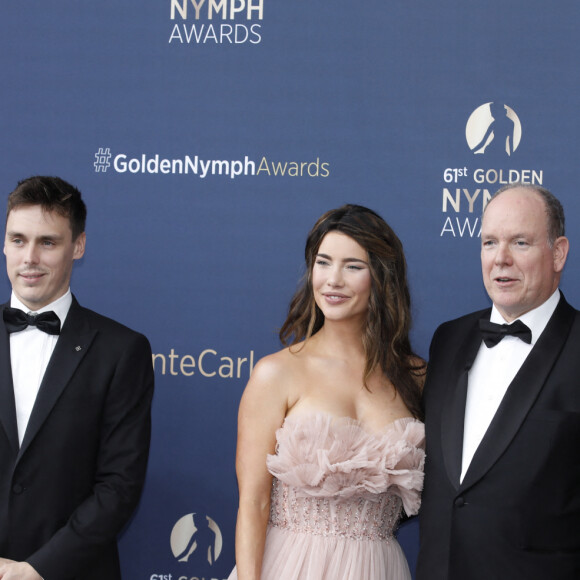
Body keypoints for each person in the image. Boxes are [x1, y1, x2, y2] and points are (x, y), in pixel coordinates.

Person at [228, 204, 425, 580]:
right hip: (291, 567)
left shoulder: (415, 376)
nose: (333, 280)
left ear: (382, 278)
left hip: (379, 569)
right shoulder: (277, 373)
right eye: (323, 262)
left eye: (353, 266)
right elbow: (254, 502)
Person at [417, 183, 580, 579]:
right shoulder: (448, 338)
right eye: (490, 243)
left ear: (558, 253)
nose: (501, 259)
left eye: (520, 242)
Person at [0, 176, 154, 580]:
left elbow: (118, 486)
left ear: (78, 246)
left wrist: (38, 569)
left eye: (47, 242)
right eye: (18, 240)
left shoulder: (122, 351)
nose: (29, 257)